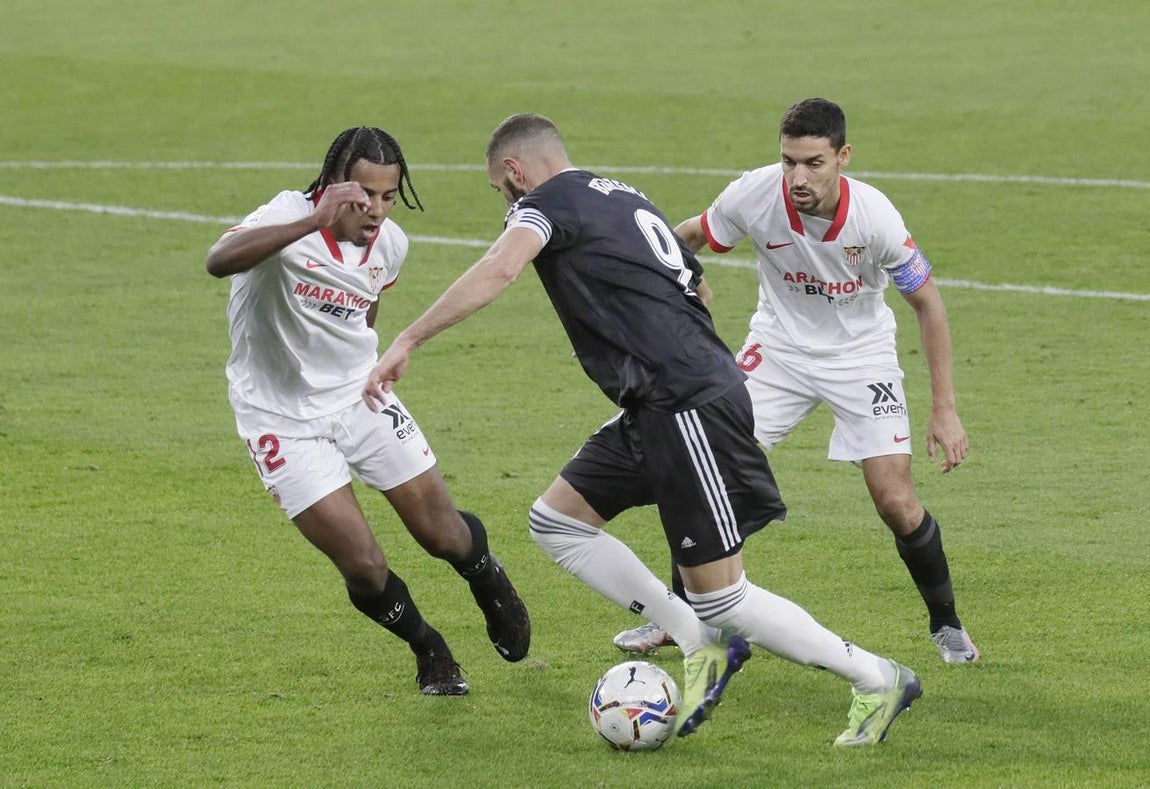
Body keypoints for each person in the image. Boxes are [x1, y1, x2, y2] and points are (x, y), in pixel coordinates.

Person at [363, 113, 922, 746]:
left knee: (725, 597)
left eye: (501, 188)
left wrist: (408, 337)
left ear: (515, 172)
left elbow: (500, 268)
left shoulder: (543, 204)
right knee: (557, 521)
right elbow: (699, 288)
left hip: (686, 405)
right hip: (658, 403)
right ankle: (695, 639)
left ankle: (877, 677)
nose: (505, 202)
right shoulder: (620, 194)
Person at [613, 97, 979, 665]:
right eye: (789, 162)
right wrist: (684, 278)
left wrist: (946, 408)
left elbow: (928, 304)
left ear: (843, 157)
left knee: (896, 502)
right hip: (777, 352)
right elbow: (683, 237)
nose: (798, 177)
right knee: (702, 468)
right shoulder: (754, 194)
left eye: (813, 163)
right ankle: (685, 620)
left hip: (862, 359)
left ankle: (947, 624)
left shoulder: (875, 218)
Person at [205, 126, 530, 697]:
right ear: (333, 185)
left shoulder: (391, 243)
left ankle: (486, 578)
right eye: (363, 196)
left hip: (361, 396)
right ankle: (430, 649)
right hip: (279, 420)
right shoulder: (286, 216)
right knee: (364, 566)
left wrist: (365, 372)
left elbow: (364, 313)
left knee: (443, 534)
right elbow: (219, 259)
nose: (376, 210)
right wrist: (313, 221)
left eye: (388, 196)